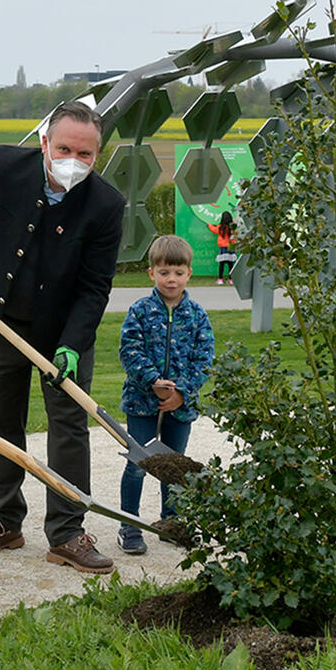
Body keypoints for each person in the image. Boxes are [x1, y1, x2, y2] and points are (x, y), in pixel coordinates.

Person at [0, 101, 124, 574]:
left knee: (68, 428)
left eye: (85, 154)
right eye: (64, 148)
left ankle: (66, 532)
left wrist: (71, 344)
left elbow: (94, 286)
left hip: (62, 334)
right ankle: (5, 520)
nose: (73, 160)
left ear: (97, 155)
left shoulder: (106, 205)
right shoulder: (4, 165)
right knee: (2, 421)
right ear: (45, 142)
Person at [117, 235, 214, 555]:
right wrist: (153, 381)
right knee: (138, 463)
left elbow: (205, 358)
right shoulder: (141, 311)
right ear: (151, 274)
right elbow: (129, 351)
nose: (171, 279)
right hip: (142, 401)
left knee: (173, 466)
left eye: (177, 272)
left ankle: (170, 522)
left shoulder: (197, 315)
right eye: (164, 272)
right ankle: (128, 526)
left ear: (189, 273)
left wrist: (182, 393)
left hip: (180, 407)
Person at [209, 211, 237, 285]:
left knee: (222, 264)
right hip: (231, 247)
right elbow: (236, 234)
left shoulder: (220, 227)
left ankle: (220, 279)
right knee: (230, 265)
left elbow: (214, 230)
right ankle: (231, 279)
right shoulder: (233, 227)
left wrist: (209, 224)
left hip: (223, 247)